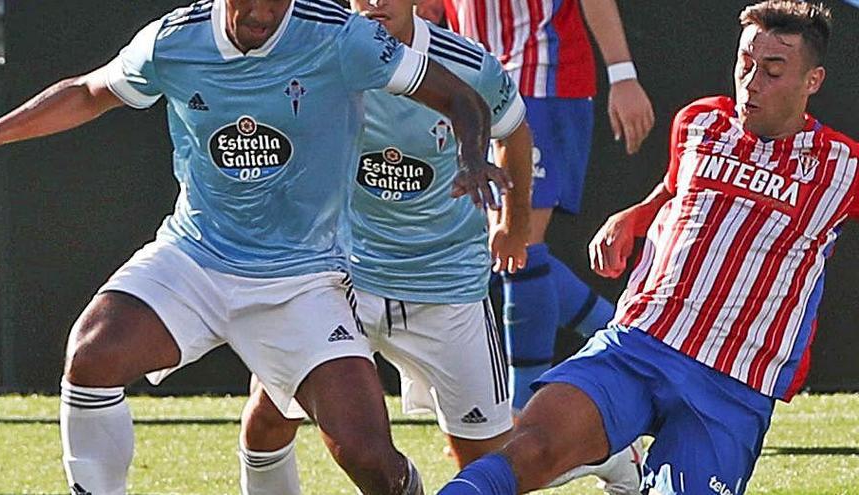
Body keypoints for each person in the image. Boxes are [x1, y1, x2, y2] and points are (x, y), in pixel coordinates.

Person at [0, 0, 511, 493]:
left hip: (303, 280)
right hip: (196, 258)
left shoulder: (341, 37)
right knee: (94, 354)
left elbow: (458, 94)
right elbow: (90, 92)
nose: (262, 13)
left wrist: (471, 153)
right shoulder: (173, 41)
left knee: (367, 456)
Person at [436, 1, 857, 493]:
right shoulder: (700, 122)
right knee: (531, 447)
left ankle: (624, 461)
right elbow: (677, 187)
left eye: (773, 70)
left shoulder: (841, 167)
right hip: (638, 344)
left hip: (732, 381)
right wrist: (635, 214)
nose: (751, 81)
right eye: (745, 62)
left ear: (813, 80)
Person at [237, 0, 643, 494]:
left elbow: (514, 131)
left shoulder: (468, 64)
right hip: (341, 284)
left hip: (444, 290)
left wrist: (514, 226)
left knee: (494, 467)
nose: (376, 2)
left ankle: (609, 456)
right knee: (266, 422)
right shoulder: (315, 54)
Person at [437, 0, 656, 412]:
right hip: (475, 85)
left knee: (521, 240)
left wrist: (623, 74)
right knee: (501, 251)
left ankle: (522, 405)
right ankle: (638, 350)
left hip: (542, 81)